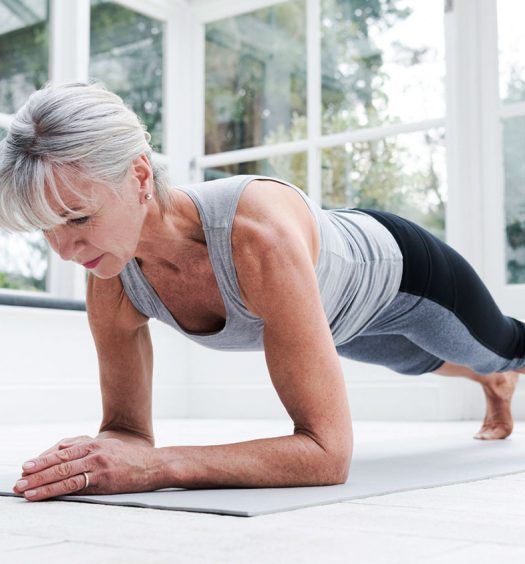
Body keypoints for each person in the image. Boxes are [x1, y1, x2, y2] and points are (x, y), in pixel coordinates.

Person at [2, 82, 524, 503]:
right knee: (415, 363)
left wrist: (158, 467)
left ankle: (498, 371)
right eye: (47, 229)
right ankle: (493, 385)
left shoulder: (257, 237)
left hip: (405, 276)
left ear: (139, 174)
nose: (65, 250)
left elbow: (327, 454)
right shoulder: (111, 276)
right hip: (339, 315)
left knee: (498, 348)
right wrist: (101, 455)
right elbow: (126, 432)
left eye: (79, 217)